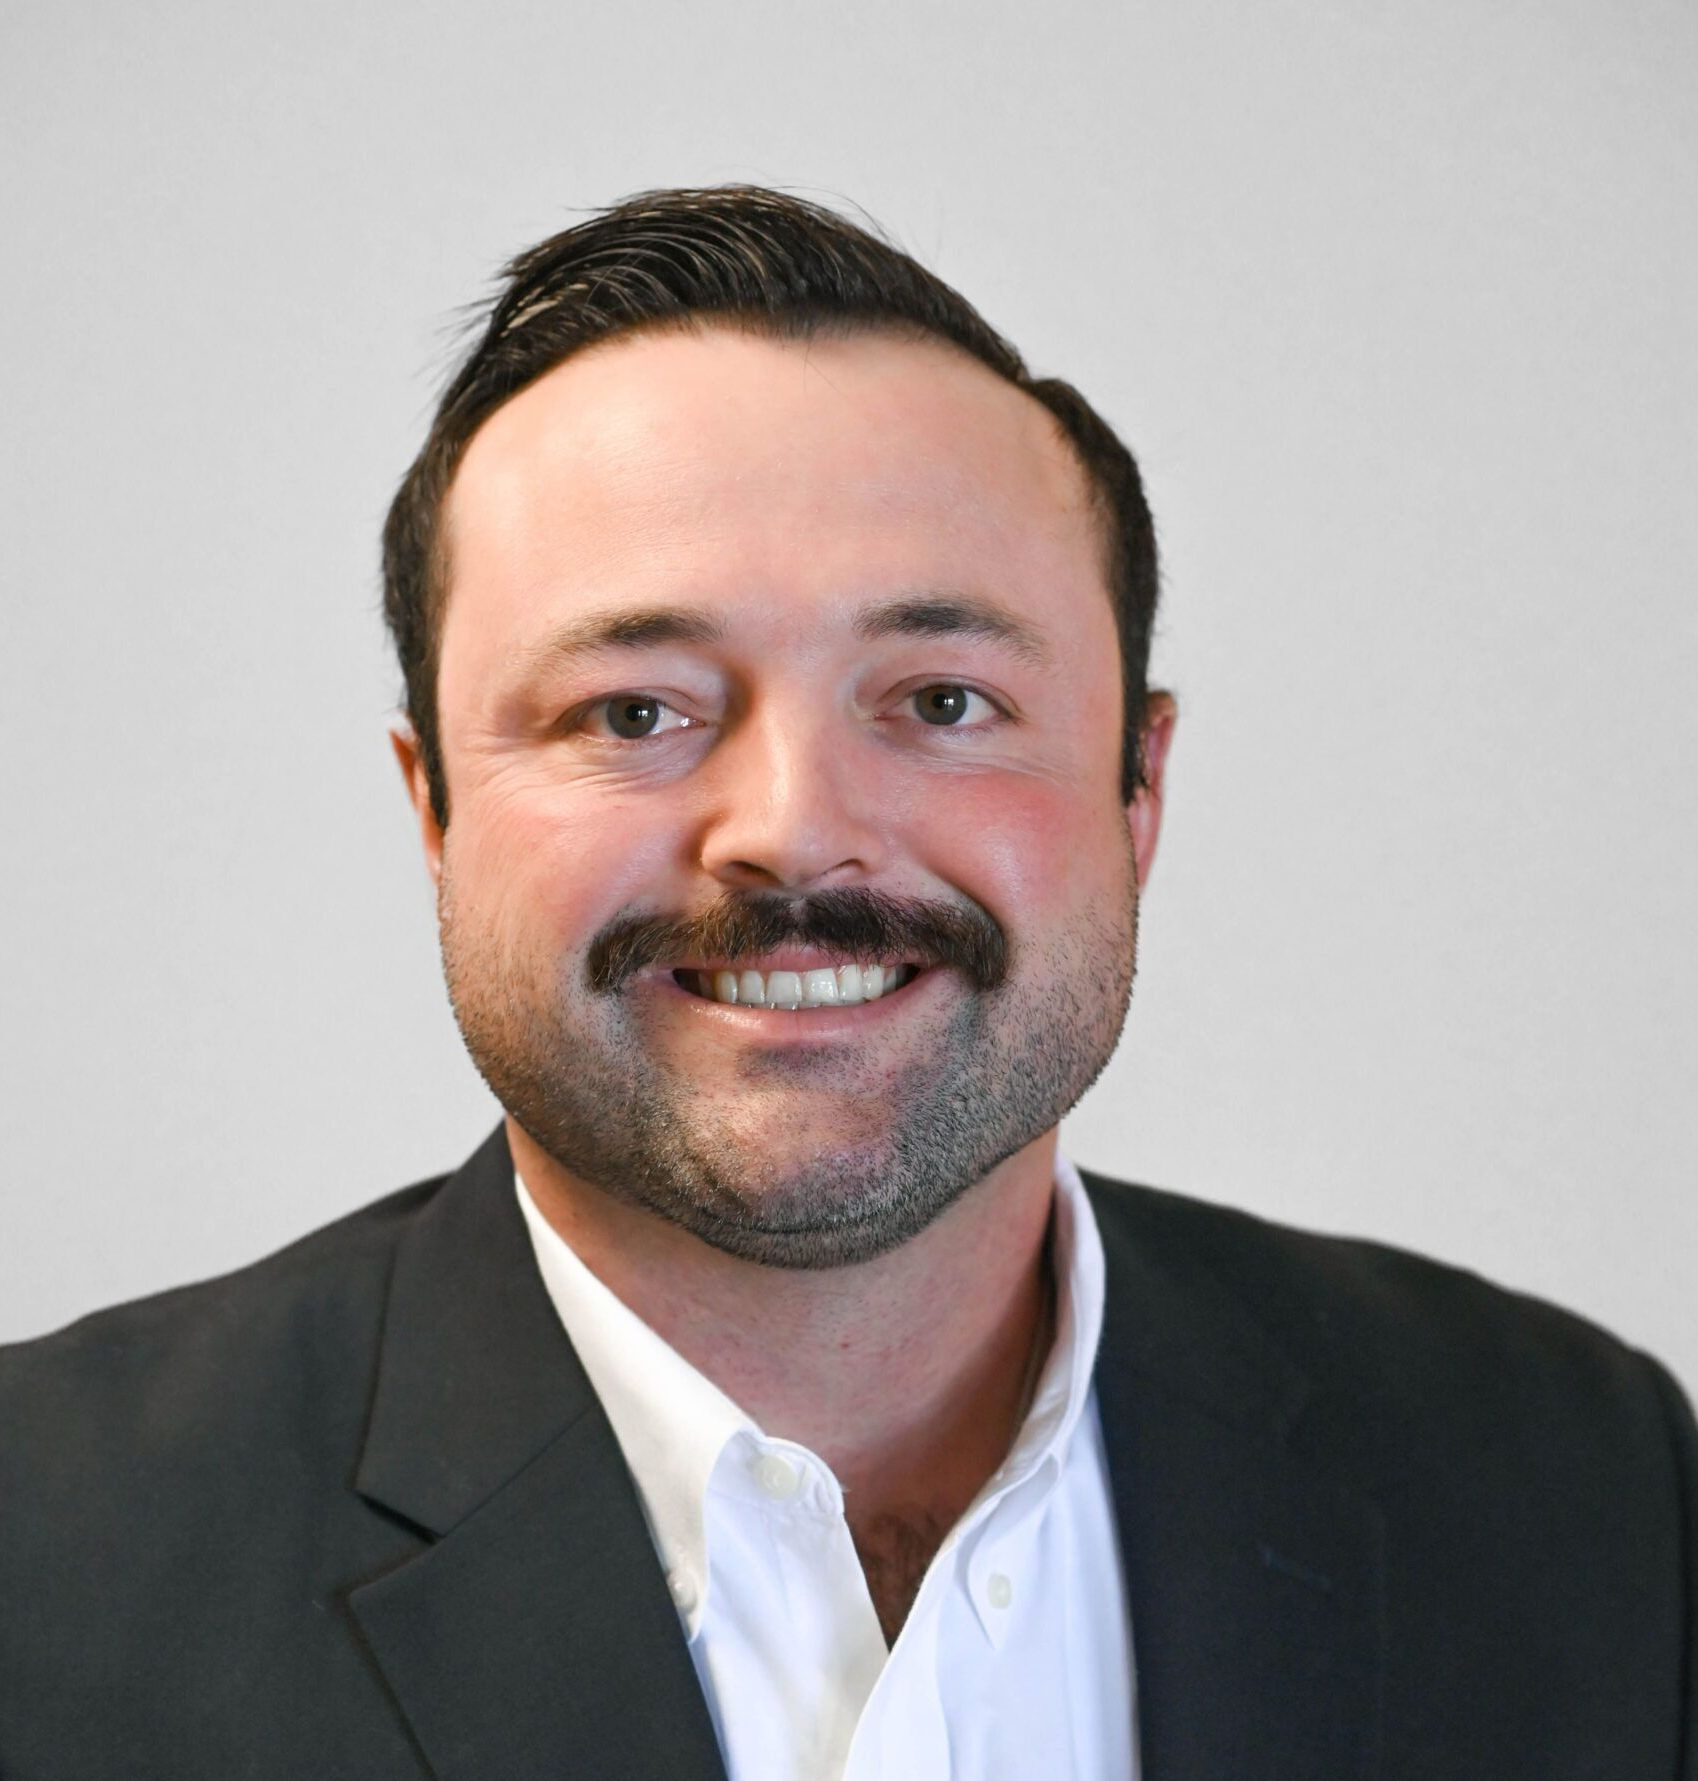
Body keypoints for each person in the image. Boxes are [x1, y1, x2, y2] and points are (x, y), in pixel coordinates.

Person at [0, 186, 1691, 1781]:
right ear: (431, 806)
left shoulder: (1578, 1482)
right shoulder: (41, 1557)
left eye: (943, 701)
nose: (793, 830)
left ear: (1137, 788)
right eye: (633, 712)